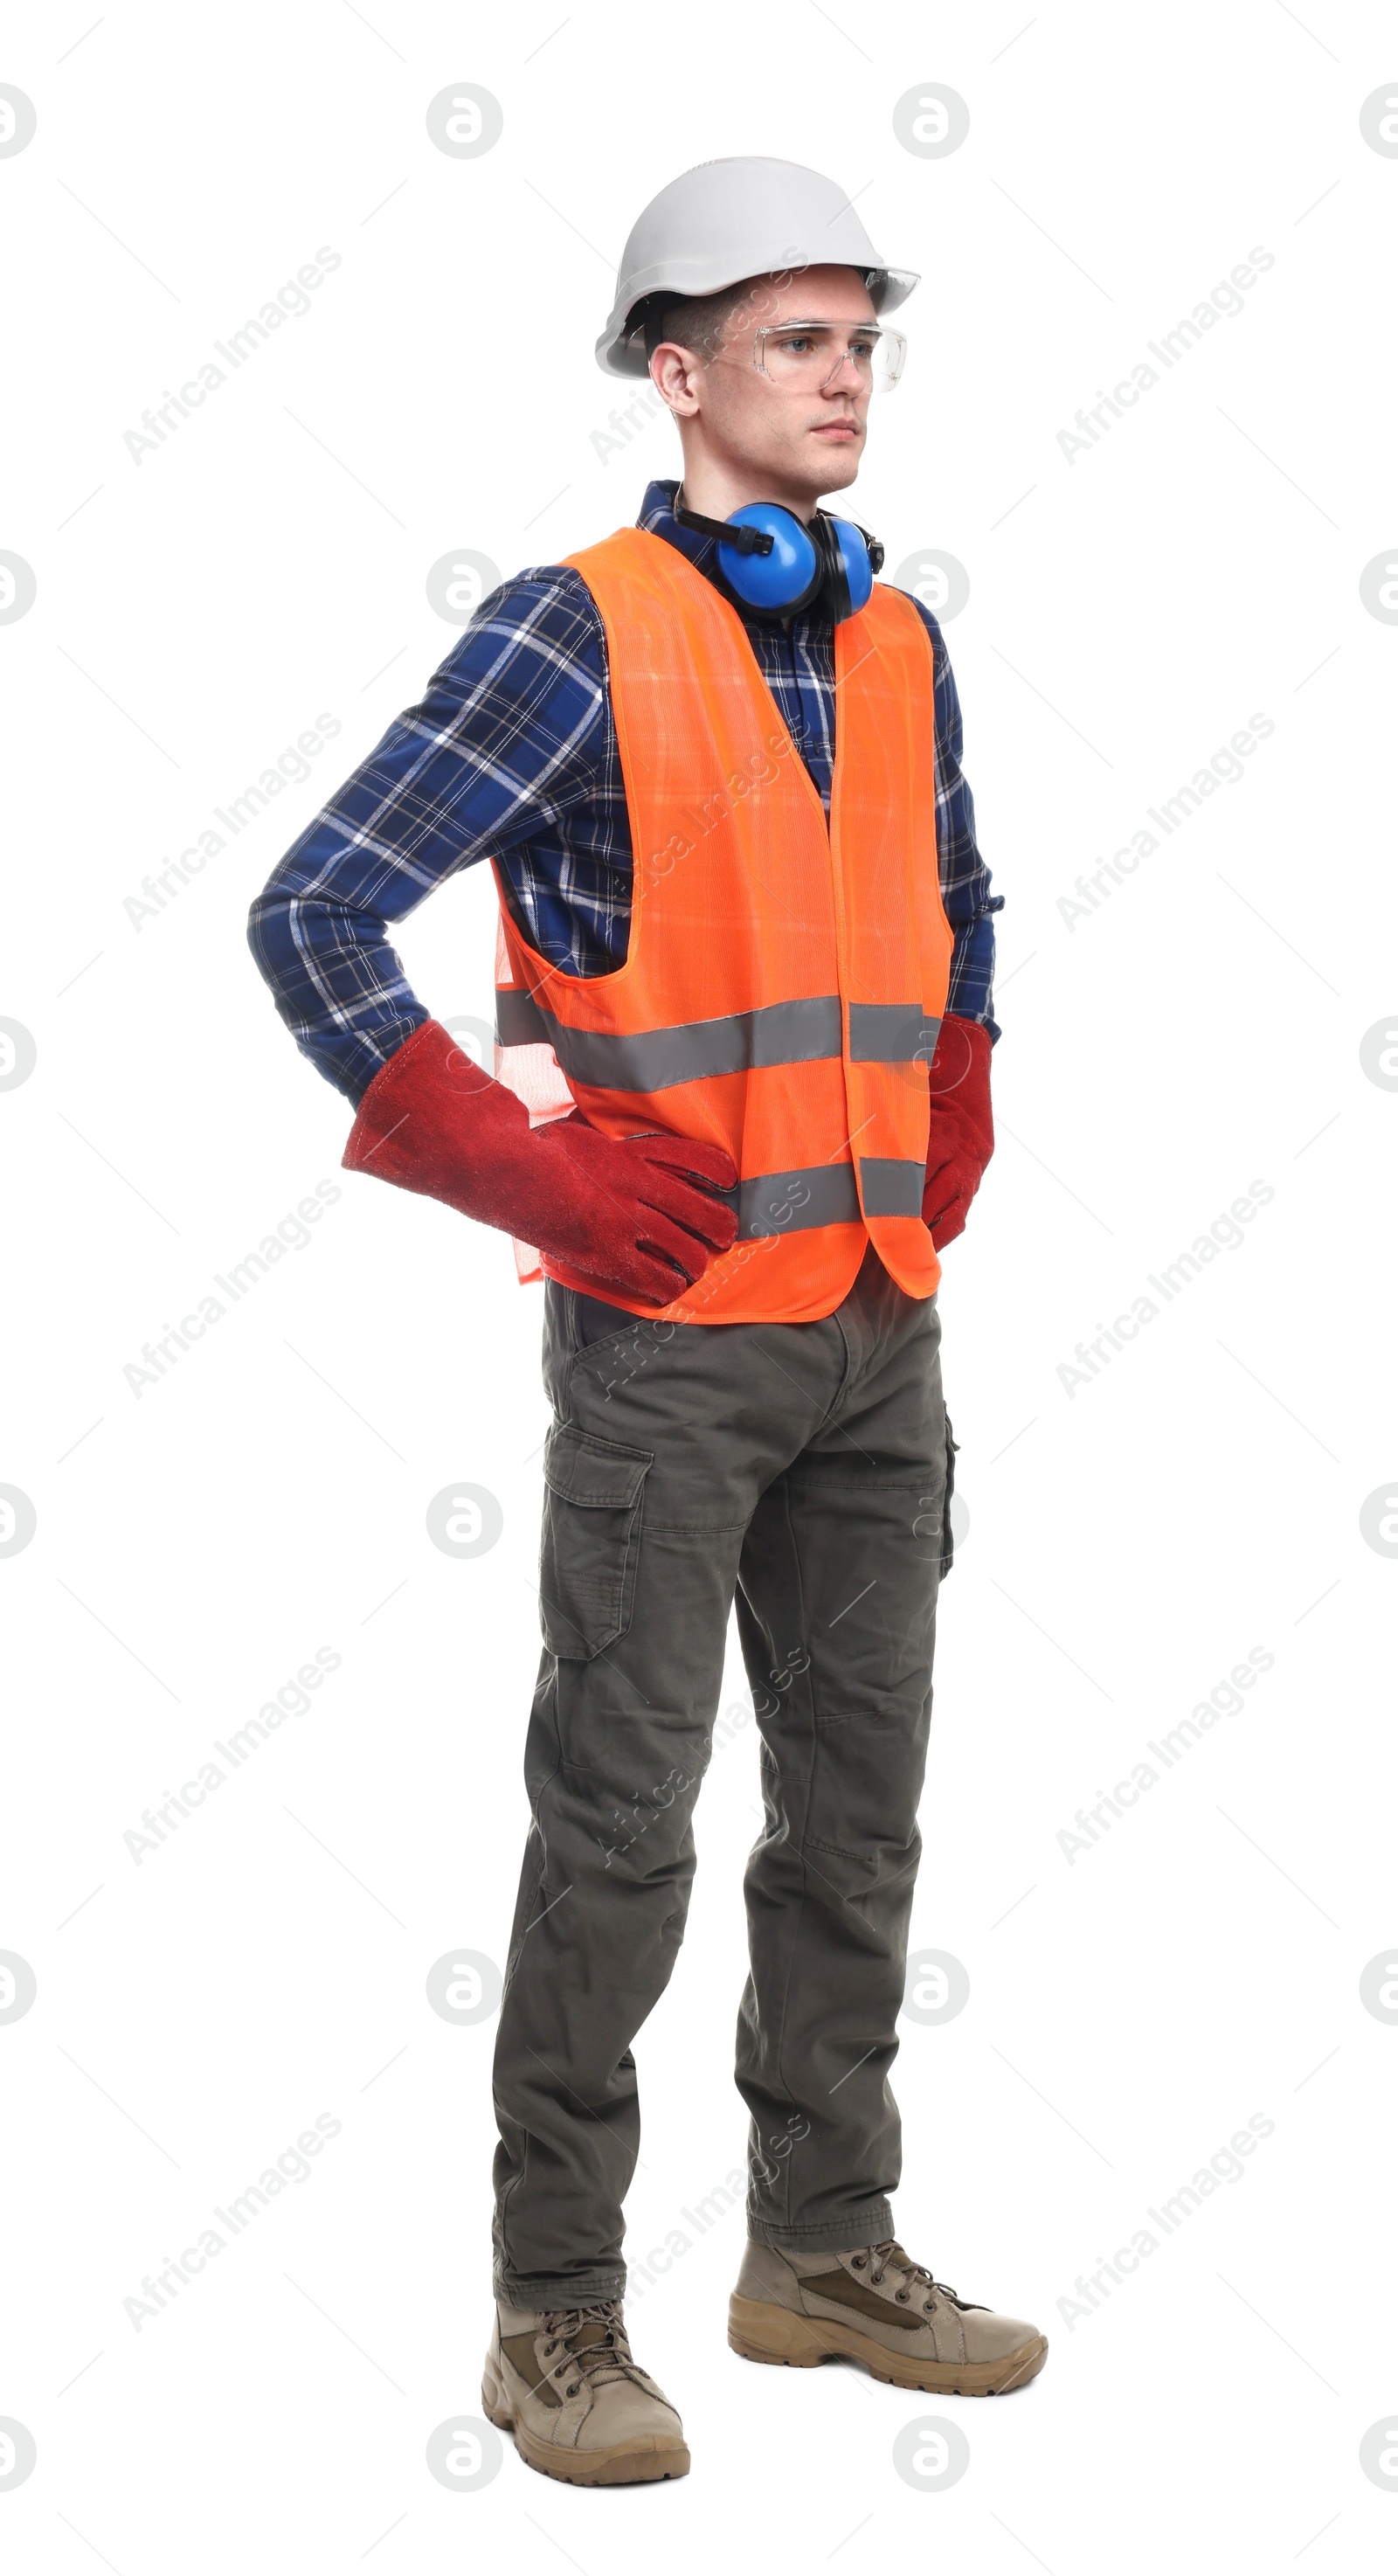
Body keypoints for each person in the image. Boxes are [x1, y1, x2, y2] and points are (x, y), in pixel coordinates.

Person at [248, 155, 1046, 2489]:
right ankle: (555, 2311)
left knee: (860, 1820)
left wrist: (962, 1084)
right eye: (796, 340)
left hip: (880, 1325)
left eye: (861, 339)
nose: (843, 378)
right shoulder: (568, 630)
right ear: (677, 371)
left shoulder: (898, 634)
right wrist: (521, 1164)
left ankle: (823, 2245)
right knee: (619, 1829)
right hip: (670, 1335)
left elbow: (957, 894)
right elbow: (313, 914)